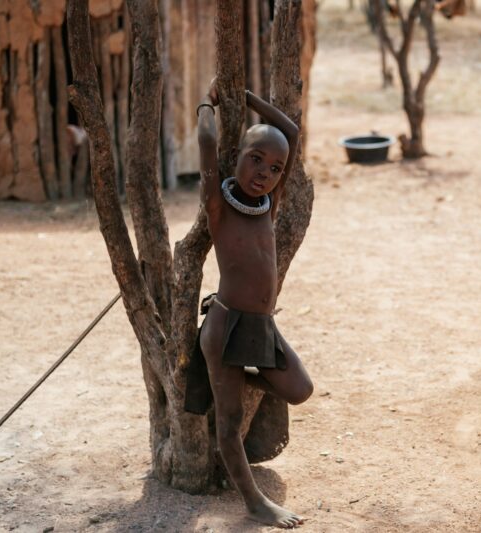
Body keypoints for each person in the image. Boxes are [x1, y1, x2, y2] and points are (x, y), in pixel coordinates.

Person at [188, 79, 313, 529]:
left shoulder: (270, 202)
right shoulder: (220, 203)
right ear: (237, 156)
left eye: (274, 167)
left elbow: (292, 135)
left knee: (300, 389)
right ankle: (255, 502)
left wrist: (248, 97)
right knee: (229, 421)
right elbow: (206, 138)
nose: (264, 171)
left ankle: (245, 375)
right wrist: (212, 98)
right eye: (254, 159)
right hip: (226, 324)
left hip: (261, 328)